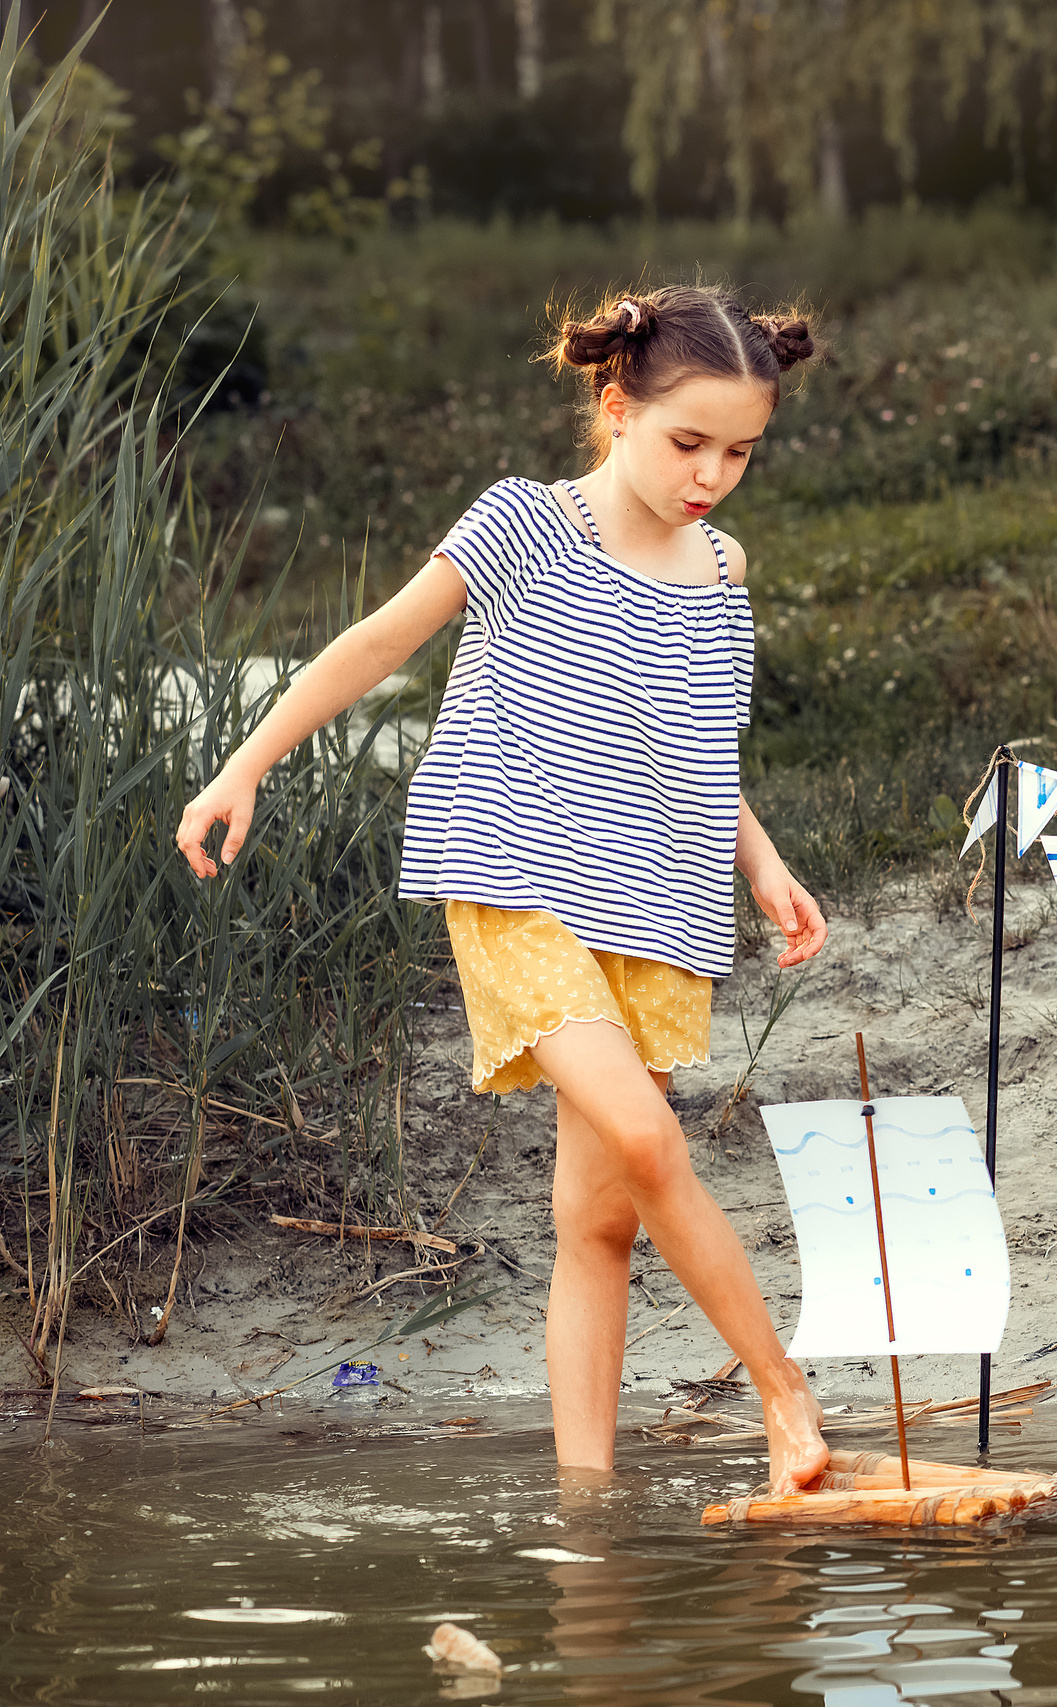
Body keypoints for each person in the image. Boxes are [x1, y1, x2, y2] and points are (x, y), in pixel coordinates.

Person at [175, 285, 836, 1494]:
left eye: (740, 452)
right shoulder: (524, 526)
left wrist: (764, 862)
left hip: (661, 895)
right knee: (646, 1136)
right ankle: (785, 1395)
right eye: (688, 442)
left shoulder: (724, 562)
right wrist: (245, 763)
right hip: (515, 867)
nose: (711, 476)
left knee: (600, 1222)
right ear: (615, 402)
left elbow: (693, 742)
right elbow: (381, 640)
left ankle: (585, 1512)